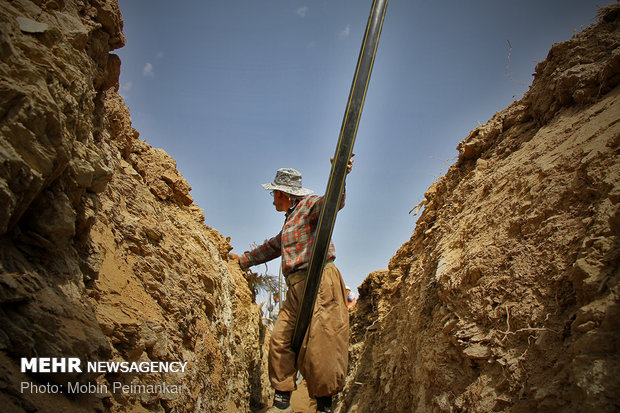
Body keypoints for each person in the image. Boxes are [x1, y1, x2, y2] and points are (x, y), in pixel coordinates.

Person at [229, 160, 353, 413]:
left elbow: (332, 203)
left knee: (323, 343)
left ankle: (324, 403)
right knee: (280, 338)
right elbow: (274, 246)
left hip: (320, 282)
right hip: (296, 286)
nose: (273, 199)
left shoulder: (309, 206)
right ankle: (282, 395)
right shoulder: (290, 220)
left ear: (283, 193)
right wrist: (243, 260)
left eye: (273, 194)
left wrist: (339, 173)